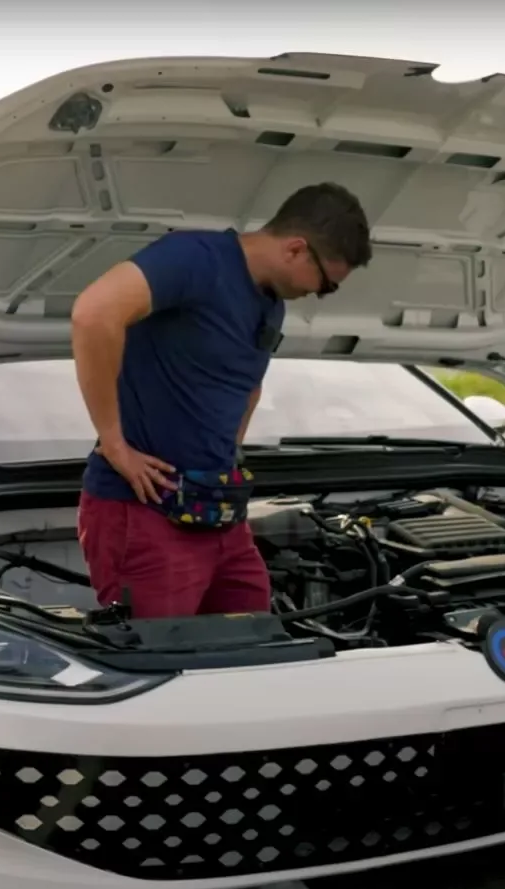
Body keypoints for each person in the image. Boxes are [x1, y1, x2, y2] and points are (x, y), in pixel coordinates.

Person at [71, 182, 373, 624]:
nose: (319, 294)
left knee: (251, 637)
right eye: (325, 284)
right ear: (296, 249)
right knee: (162, 654)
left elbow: (248, 385)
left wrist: (228, 458)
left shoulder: (271, 303)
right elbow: (93, 313)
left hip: (217, 512)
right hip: (145, 511)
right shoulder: (194, 258)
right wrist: (114, 444)